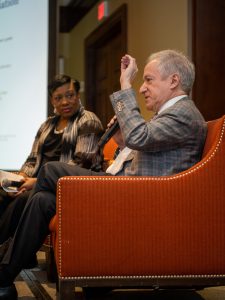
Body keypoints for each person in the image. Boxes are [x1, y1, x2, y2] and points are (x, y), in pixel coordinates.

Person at [0, 49, 207, 299]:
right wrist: (121, 142)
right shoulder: (172, 114)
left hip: (134, 196)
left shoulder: (183, 112)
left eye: (149, 80)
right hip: (127, 190)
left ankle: (4, 264)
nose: (142, 88)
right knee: (43, 199)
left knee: (49, 170)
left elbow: (140, 137)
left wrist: (124, 83)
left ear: (173, 81)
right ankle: (5, 276)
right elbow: (144, 148)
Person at [0, 74, 103, 249]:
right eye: (58, 97)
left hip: (64, 188)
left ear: (78, 96)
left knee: (22, 200)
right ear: (52, 101)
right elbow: (32, 159)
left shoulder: (88, 121)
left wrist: (36, 182)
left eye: (70, 95)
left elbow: (81, 165)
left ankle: (6, 248)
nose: (65, 102)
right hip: (34, 184)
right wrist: (20, 180)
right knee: (3, 194)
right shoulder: (46, 126)